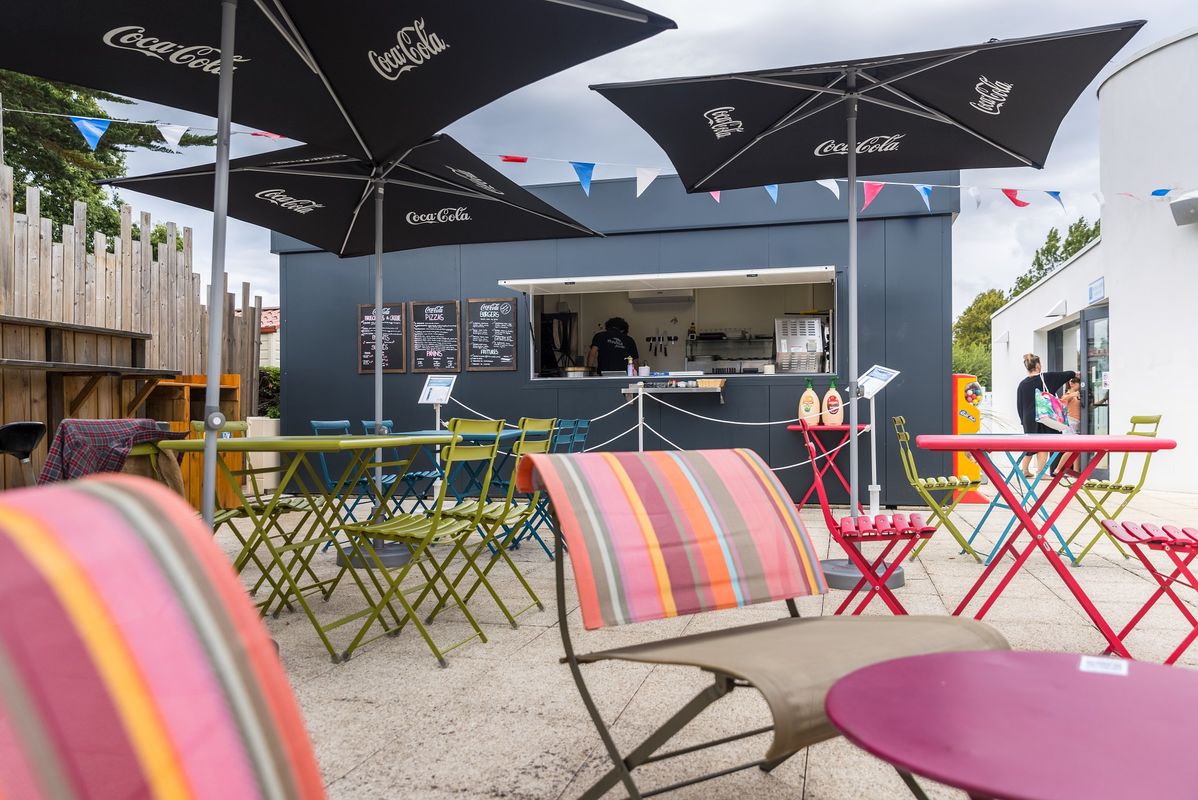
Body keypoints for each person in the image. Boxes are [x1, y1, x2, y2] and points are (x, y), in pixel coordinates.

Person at [1016, 353, 1076, 478]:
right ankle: (1041, 472)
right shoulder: (1047, 378)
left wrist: (1023, 421)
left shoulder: (1022, 384)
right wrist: (1077, 374)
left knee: (1030, 444)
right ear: (1038, 365)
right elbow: (1069, 373)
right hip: (1044, 416)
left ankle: (1024, 470)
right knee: (1043, 444)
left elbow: (1019, 404)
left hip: (1028, 418)